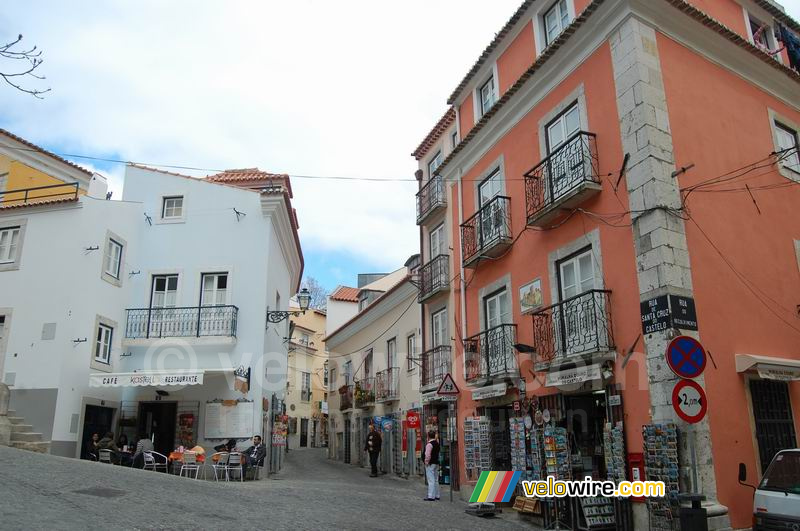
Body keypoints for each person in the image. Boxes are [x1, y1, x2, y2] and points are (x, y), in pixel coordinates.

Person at [424, 430, 441, 501]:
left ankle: (431, 496)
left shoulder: (429, 444)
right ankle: (437, 495)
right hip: (436, 463)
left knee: (431, 480)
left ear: (428, 436)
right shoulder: (437, 443)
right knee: (436, 480)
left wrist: (426, 462)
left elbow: (427, 455)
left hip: (430, 463)